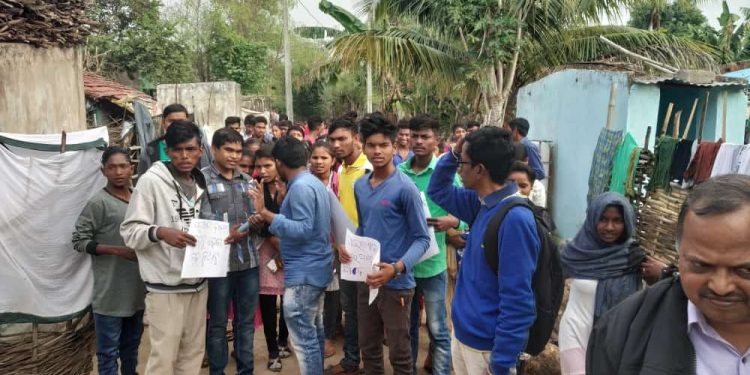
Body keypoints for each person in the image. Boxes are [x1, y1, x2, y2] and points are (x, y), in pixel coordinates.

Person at [587, 175, 750, 374]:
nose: (721, 286)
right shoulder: (620, 333)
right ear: (679, 255)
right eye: (700, 265)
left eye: (745, 270)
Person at [427, 127, 541, 375]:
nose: (459, 167)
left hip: (488, 351)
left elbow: (518, 301)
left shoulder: (515, 219)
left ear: (479, 170)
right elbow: (437, 190)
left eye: (463, 163)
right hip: (465, 336)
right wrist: (455, 153)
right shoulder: (479, 203)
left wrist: (502, 364)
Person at [345, 113, 430, 375]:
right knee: (368, 348)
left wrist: (395, 268)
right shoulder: (360, 185)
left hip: (397, 286)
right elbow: (365, 226)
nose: (377, 151)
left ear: (394, 146)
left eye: (383, 145)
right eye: (372, 145)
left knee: (400, 354)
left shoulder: (406, 188)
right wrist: (352, 248)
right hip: (367, 280)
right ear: (363, 145)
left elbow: (423, 239)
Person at [120, 120, 208, 374]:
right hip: (165, 287)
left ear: (200, 150)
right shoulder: (151, 182)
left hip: (197, 284)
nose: (184, 156)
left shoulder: (200, 181)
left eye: (190, 149)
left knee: (192, 355)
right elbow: (129, 231)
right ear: (166, 151)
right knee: (164, 358)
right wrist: (159, 232)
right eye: (177, 149)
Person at [249, 136, 333, 375]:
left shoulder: (302, 187)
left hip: (305, 273)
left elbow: (304, 229)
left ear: (279, 162)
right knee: (313, 333)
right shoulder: (309, 182)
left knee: (305, 341)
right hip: (314, 269)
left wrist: (266, 213)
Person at [558, 192, 661, 374]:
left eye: (617, 221)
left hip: (614, 341)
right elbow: (546, 279)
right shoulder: (575, 252)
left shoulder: (633, 258)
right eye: (603, 219)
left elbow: (668, 287)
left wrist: (661, 274)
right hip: (575, 332)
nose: (609, 227)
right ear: (593, 218)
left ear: (627, 222)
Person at [72, 146, 146, 375]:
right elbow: (78, 240)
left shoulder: (139, 199)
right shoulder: (98, 203)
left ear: (131, 169)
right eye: (112, 167)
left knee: (131, 349)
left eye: (123, 166)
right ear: (103, 171)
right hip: (110, 295)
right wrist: (117, 250)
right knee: (108, 354)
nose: (118, 172)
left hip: (137, 292)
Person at [397, 115, 459, 375]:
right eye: (415, 136)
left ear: (437, 141)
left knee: (438, 329)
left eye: (426, 137)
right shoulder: (399, 173)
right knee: (407, 329)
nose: (419, 141)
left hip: (433, 265)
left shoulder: (446, 176)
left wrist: (453, 220)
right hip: (404, 264)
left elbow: (467, 213)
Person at [199, 129, 260, 375]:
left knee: (245, 324)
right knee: (217, 324)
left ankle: (246, 370)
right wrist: (227, 231)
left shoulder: (248, 180)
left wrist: (257, 219)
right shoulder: (200, 180)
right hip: (218, 266)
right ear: (214, 149)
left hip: (248, 263)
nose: (234, 156)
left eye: (238, 151)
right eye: (228, 150)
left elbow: (258, 215)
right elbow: (199, 219)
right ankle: (218, 371)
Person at [326, 116, 371, 375]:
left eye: (342, 139)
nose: (336, 144)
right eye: (332, 140)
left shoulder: (368, 169)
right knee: (351, 311)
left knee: (366, 312)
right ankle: (352, 361)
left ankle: (368, 362)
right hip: (345, 253)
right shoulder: (342, 169)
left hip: (367, 252)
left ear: (356, 138)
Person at [253, 146, 291, 372]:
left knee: (289, 301)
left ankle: (283, 341)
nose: (263, 170)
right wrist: (271, 236)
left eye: (267, 165)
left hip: (289, 251)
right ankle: (272, 351)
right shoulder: (254, 188)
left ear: (278, 164)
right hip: (265, 252)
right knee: (267, 303)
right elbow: (254, 220)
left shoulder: (290, 187)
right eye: (259, 166)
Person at [310, 141, 342, 359]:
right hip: (313, 245)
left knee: (334, 292)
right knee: (316, 291)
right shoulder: (305, 182)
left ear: (333, 161)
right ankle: (317, 334)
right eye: (315, 158)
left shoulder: (340, 181)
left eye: (324, 158)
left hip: (338, 244)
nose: (319, 162)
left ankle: (329, 335)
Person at [137, 103, 212, 177]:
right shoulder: (151, 150)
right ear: (163, 122)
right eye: (171, 121)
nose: (176, 124)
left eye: (181, 121)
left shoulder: (202, 146)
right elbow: (143, 178)